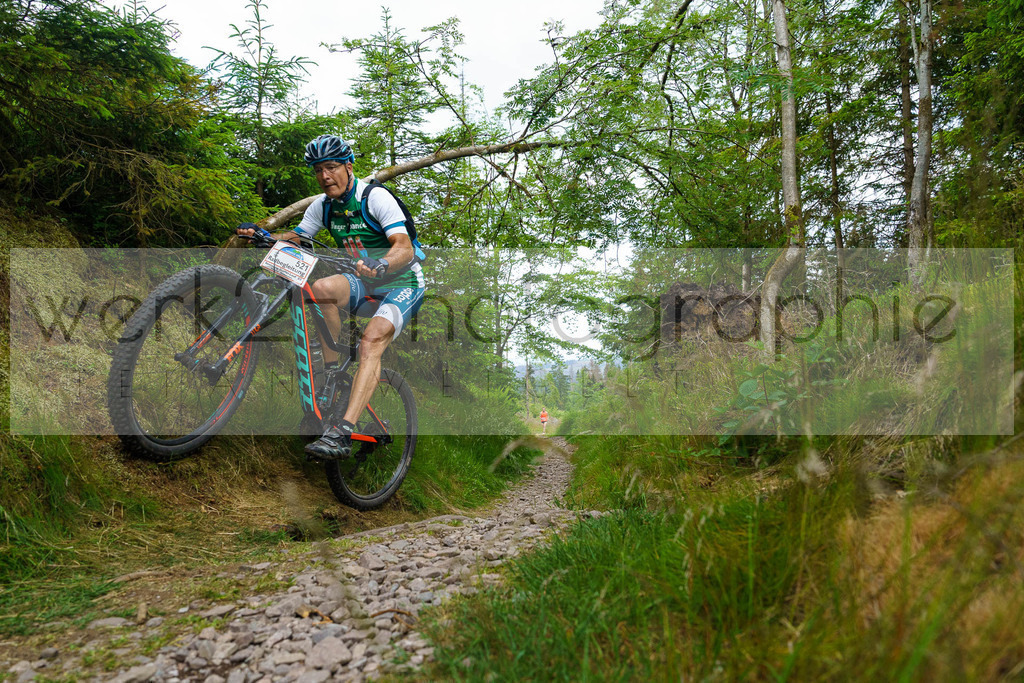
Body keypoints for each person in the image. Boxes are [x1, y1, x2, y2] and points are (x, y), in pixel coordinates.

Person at [237, 134, 426, 460]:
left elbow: (404, 247)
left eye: (332, 167)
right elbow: (297, 237)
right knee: (321, 289)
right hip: (364, 283)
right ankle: (332, 378)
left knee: (370, 343)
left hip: (402, 284)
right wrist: (264, 235)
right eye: (318, 170)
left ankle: (343, 433)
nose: (324, 176)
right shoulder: (323, 206)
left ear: (349, 166)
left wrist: (382, 263)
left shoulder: (374, 198)